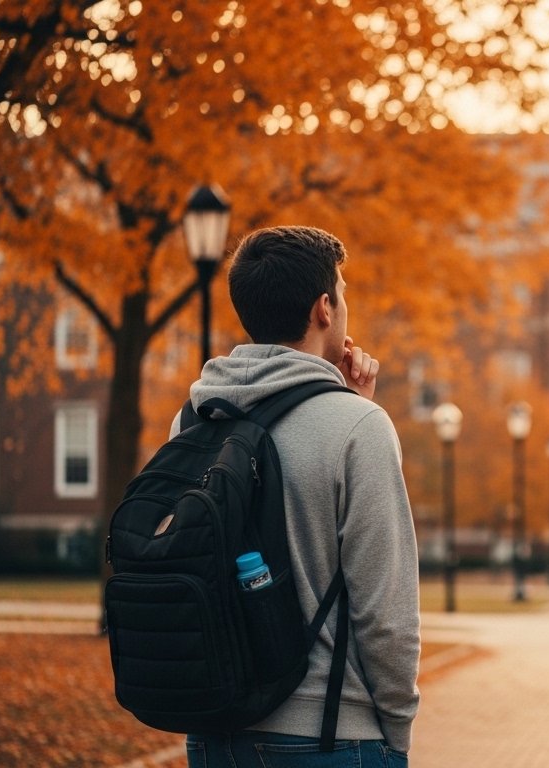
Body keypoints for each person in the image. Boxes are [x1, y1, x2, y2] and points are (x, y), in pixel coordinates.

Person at [178, 226, 419, 766]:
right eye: (343, 293)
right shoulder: (359, 428)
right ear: (324, 309)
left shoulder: (194, 417)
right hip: (329, 735)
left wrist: (350, 404)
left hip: (214, 731)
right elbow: (387, 616)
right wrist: (398, 732)